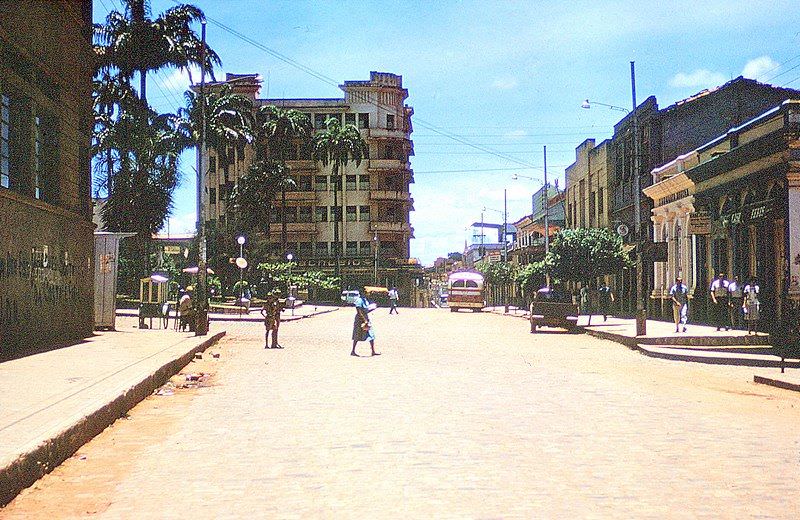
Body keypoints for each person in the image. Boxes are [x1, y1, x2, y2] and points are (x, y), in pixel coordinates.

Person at [351, 288, 378, 357]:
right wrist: (364, 320)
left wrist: (372, 309)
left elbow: (366, 310)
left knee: (371, 335)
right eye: (365, 292)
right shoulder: (359, 300)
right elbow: (359, 311)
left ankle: (373, 351)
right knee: (357, 335)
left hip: (366, 318)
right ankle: (353, 351)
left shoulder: (365, 300)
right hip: (360, 320)